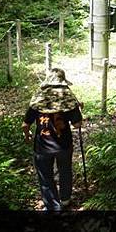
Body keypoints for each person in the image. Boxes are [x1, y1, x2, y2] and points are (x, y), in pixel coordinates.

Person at [22, 68, 83, 211]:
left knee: (45, 176)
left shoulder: (38, 98)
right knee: (65, 171)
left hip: (42, 146)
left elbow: (25, 124)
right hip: (64, 145)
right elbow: (77, 124)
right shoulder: (69, 98)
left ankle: (52, 205)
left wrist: (27, 135)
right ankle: (65, 200)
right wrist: (78, 110)